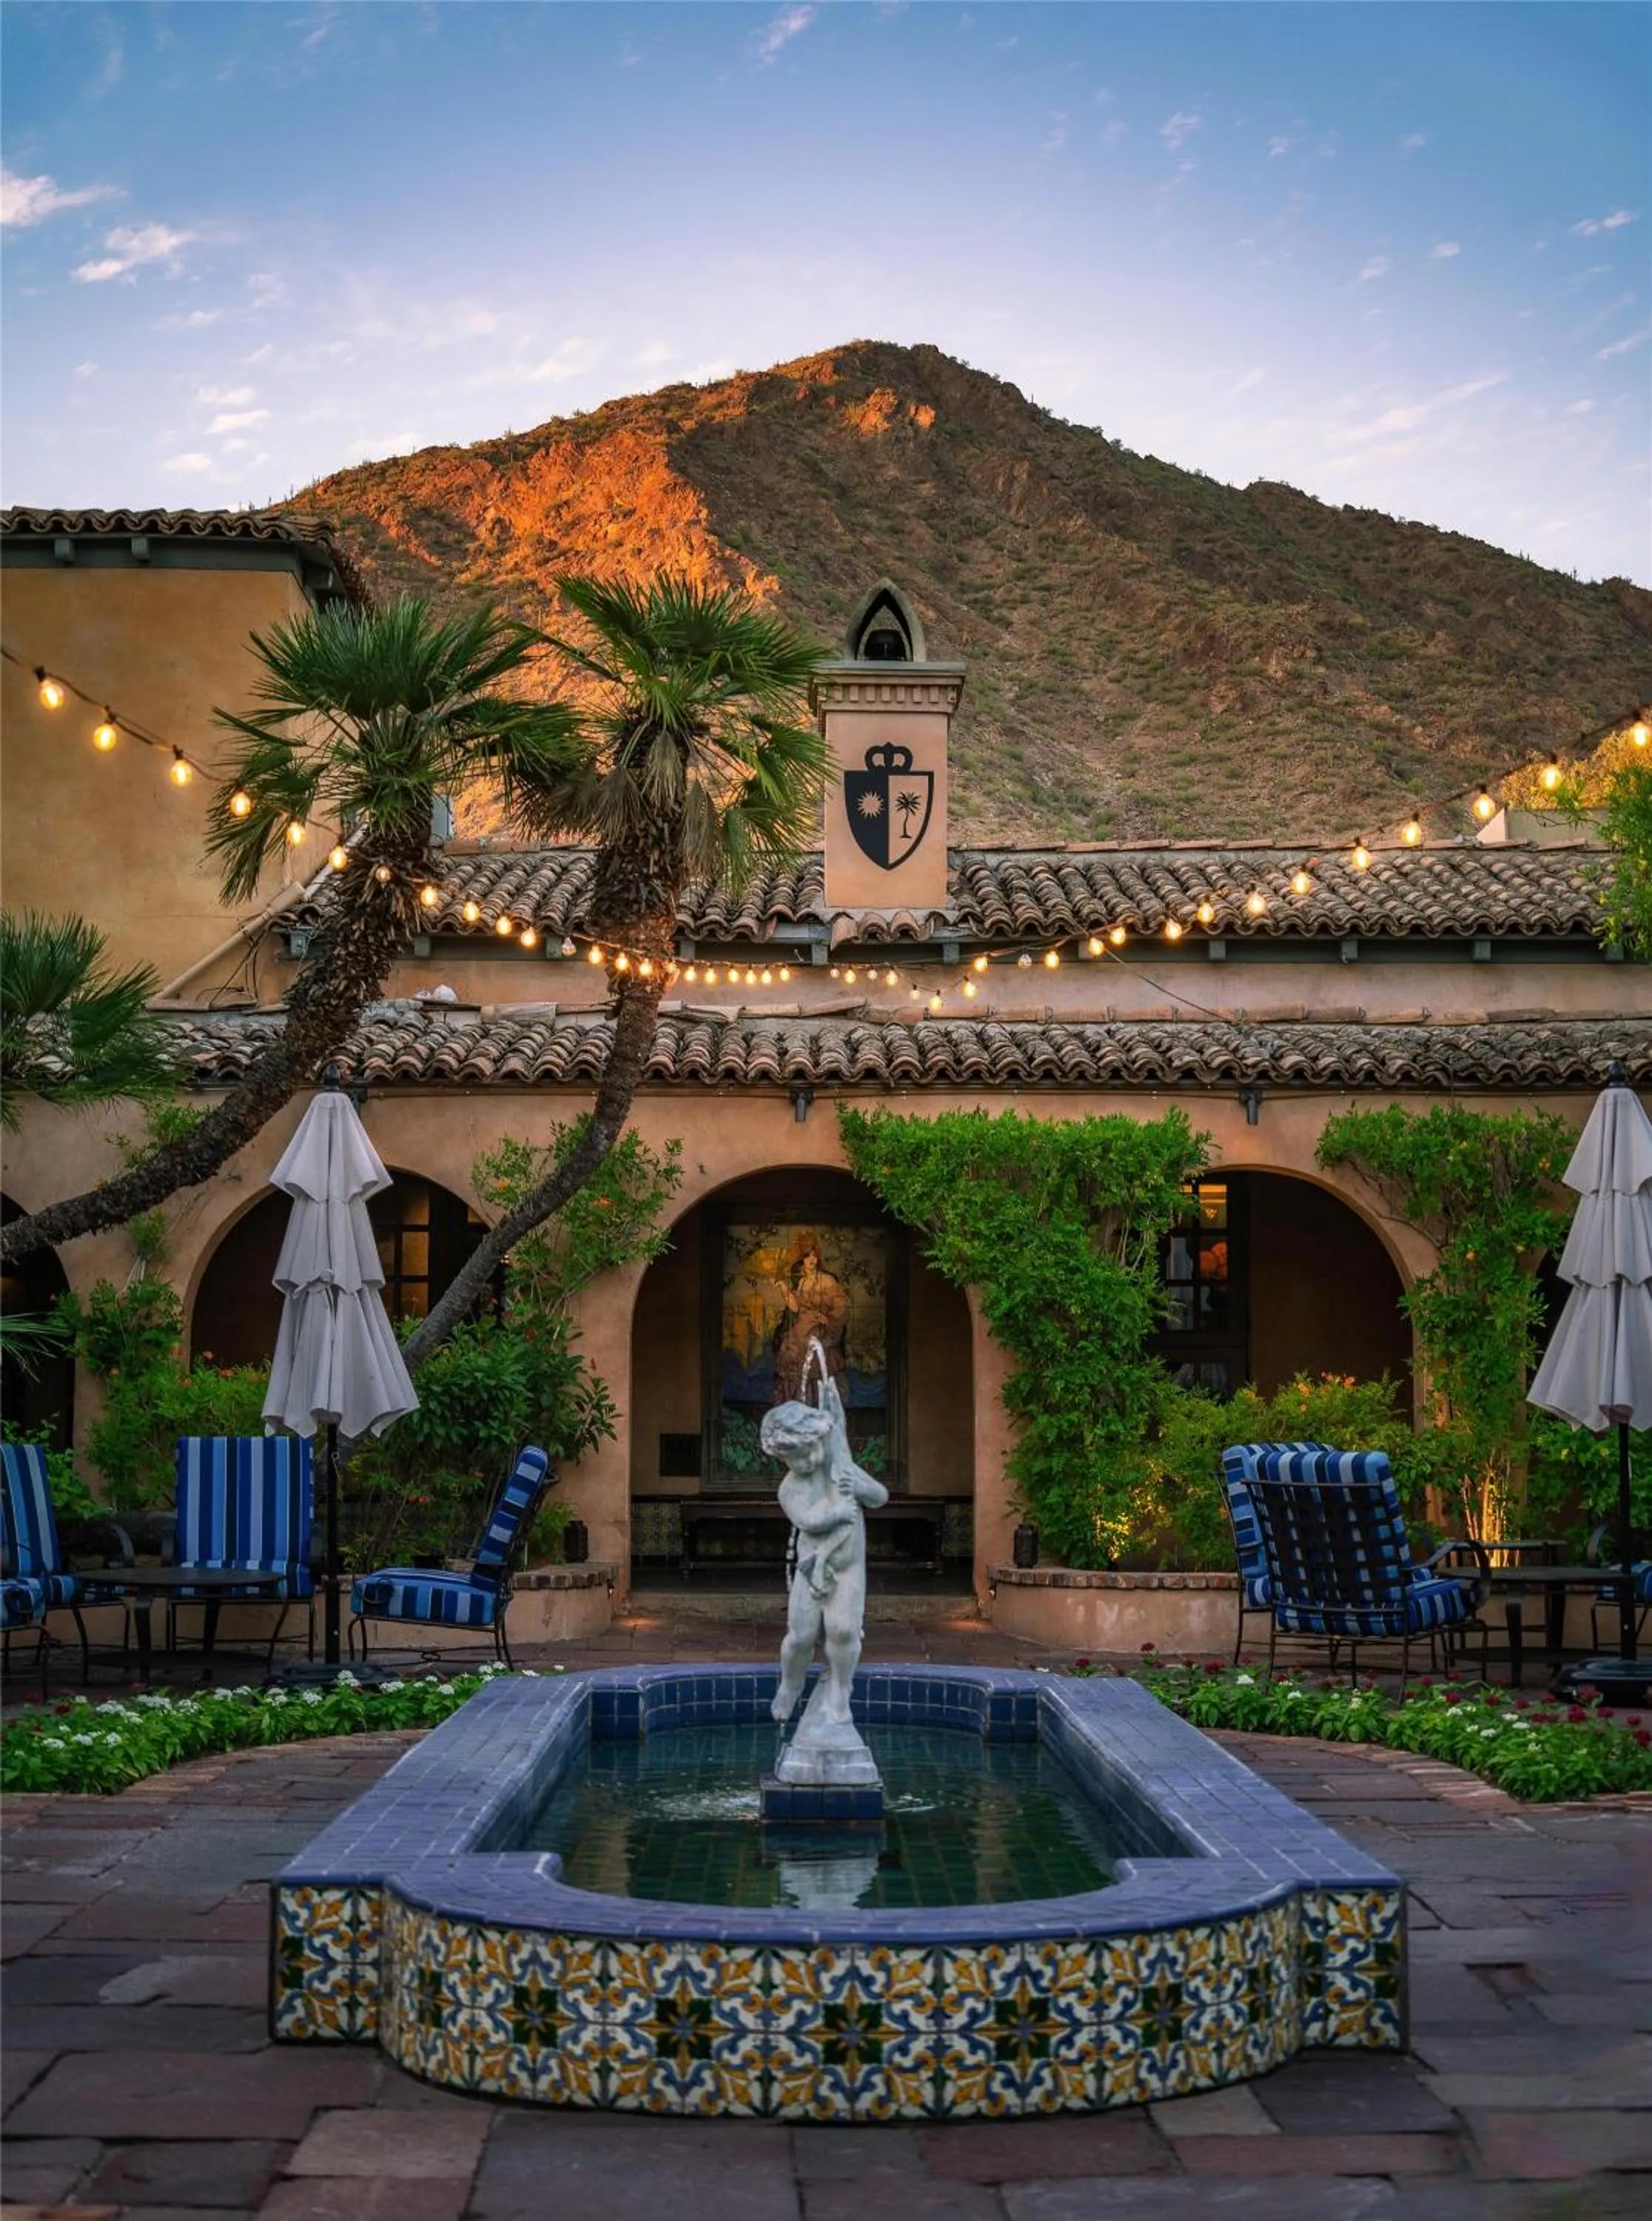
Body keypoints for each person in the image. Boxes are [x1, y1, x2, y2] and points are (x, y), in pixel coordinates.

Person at [762, 1364, 887, 1728]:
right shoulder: (790, 1489)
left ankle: (840, 1693)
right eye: (793, 1459)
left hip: (848, 1567)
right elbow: (808, 1521)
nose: (804, 1463)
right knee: (800, 1638)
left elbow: (879, 1495)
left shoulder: (839, 1467)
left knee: (843, 1630)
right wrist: (838, 1513)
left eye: (808, 1452)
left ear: (819, 1439)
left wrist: (859, 1488)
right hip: (812, 1568)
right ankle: (790, 1684)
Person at [770, 1238, 850, 1405]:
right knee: (795, 1366)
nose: (812, 1260)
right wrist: (783, 1288)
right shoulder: (801, 1282)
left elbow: (841, 1306)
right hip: (799, 1333)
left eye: (814, 1256)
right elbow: (795, 1308)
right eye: (807, 1256)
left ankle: (818, 1407)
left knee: (817, 1368)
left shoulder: (827, 1280)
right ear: (802, 1260)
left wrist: (827, 1319)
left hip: (818, 1331)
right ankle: (800, 1407)